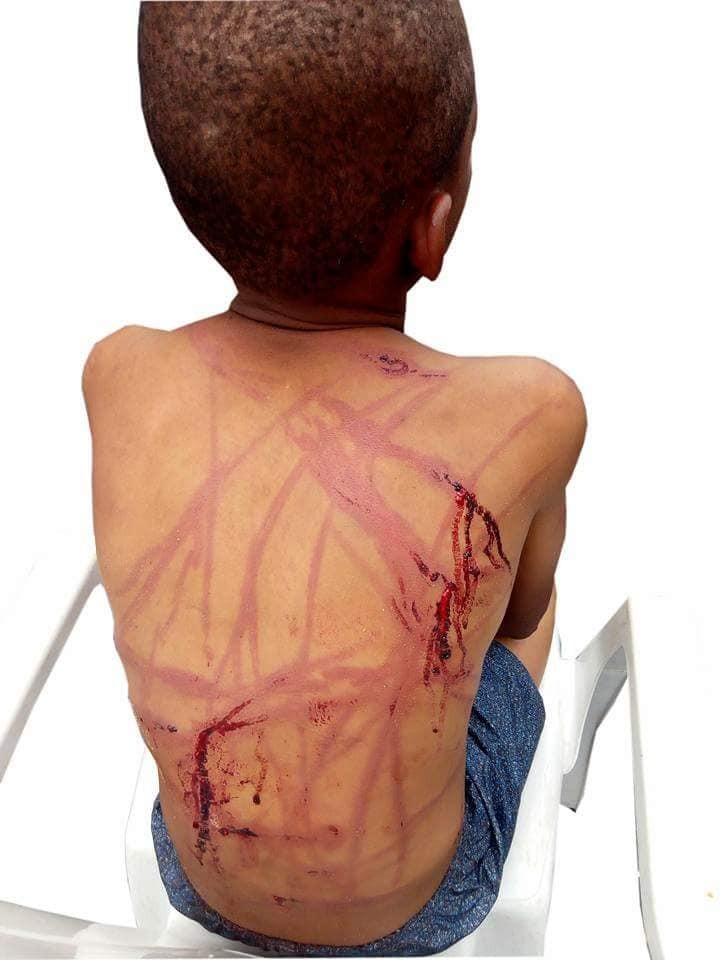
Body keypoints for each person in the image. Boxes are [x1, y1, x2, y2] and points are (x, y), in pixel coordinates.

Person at [82, 1, 586, 954]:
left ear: (191, 200)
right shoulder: (532, 410)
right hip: (426, 905)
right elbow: (518, 614)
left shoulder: (119, 375)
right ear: (433, 228)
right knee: (530, 615)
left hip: (196, 876)